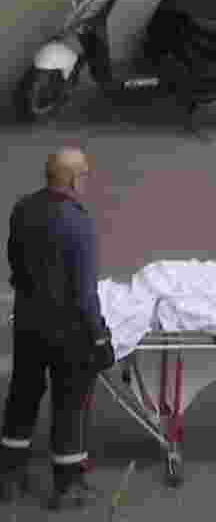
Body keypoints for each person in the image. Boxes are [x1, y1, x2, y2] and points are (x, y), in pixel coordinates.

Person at [2, 148, 115, 510]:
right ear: (71, 178)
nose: (87, 180)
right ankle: (66, 485)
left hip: (29, 326)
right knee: (70, 404)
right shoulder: (77, 221)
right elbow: (84, 293)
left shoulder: (23, 209)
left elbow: (15, 262)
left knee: (22, 396)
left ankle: (9, 475)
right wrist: (99, 336)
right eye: (84, 174)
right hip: (68, 333)